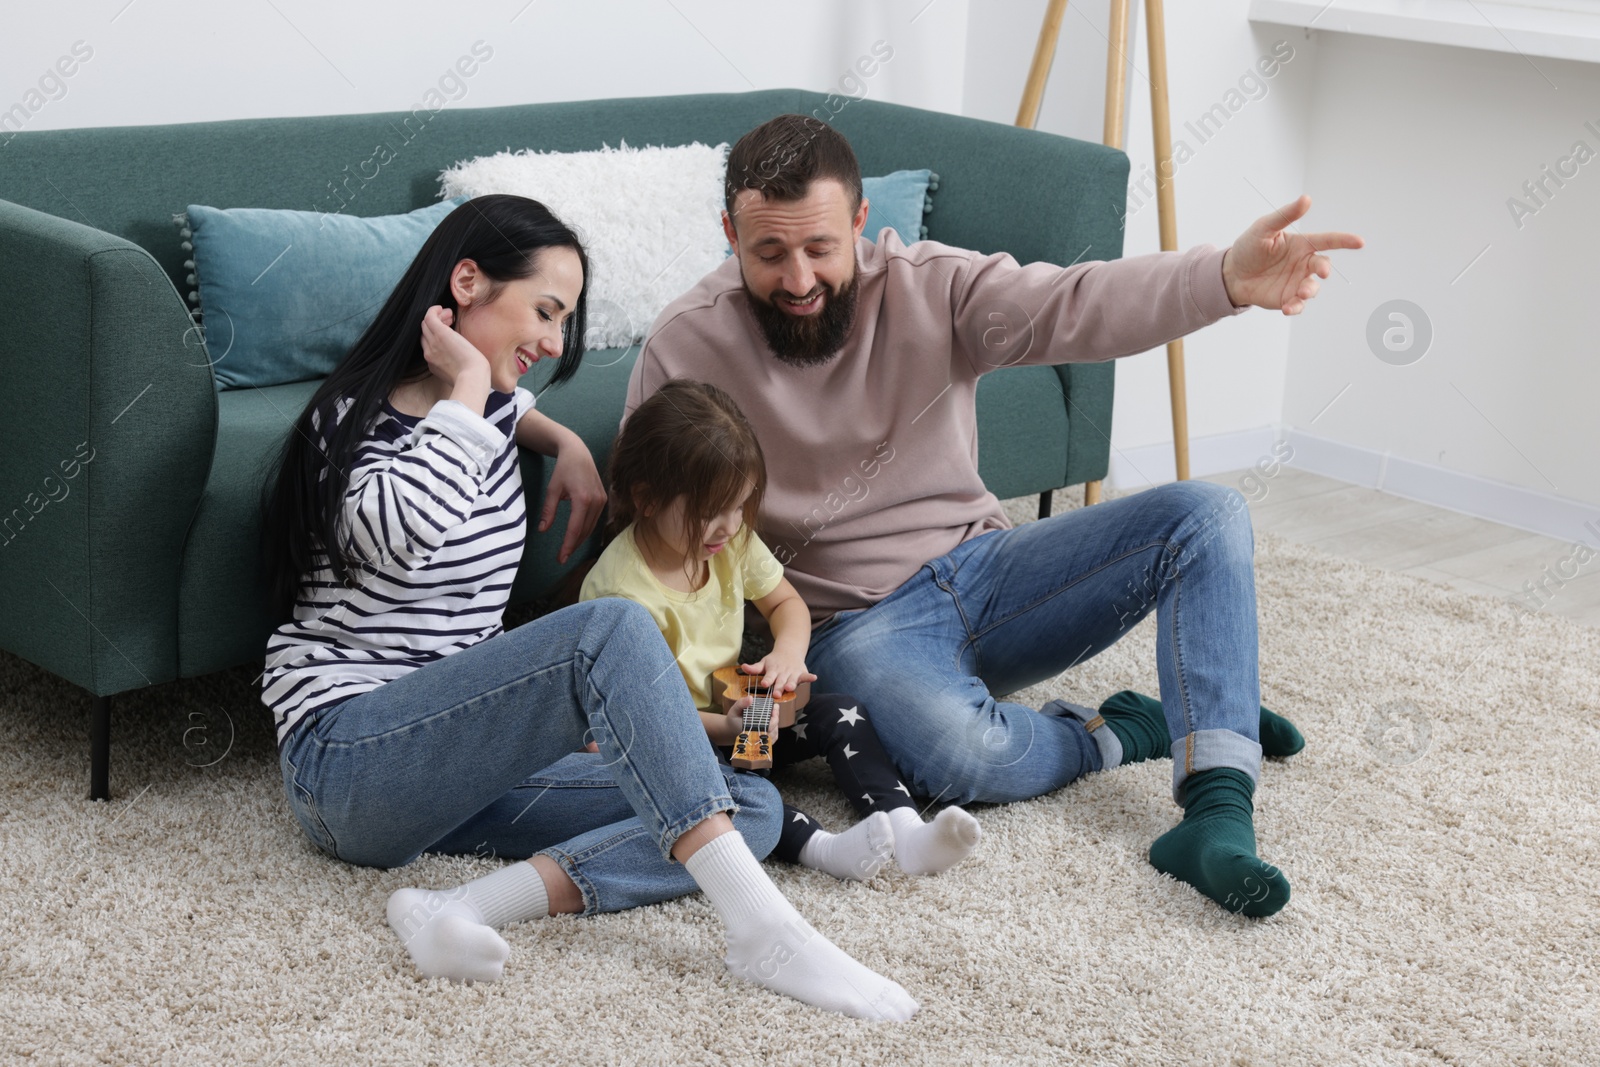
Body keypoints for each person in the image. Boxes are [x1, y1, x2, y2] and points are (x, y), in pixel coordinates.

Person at [625, 115, 1363, 919]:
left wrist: (1222, 278)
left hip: (990, 570)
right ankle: (1127, 726)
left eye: (820, 248)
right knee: (964, 756)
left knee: (1206, 514)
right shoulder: (685, 345)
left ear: (862, 223)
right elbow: (653, 512)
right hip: (857, 627)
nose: (799, 277)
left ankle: (1218, 807)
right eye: (769, 253)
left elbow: (1077, 303)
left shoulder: (930, 285)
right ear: (729, 234)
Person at [256, 193, 917, 1020]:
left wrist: (561, 440)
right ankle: (765, 931)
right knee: (610, 631)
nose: (552, 341)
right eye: (544, 310)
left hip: (461, 765)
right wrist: (467, 378)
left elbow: (509, 410)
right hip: (350, 766)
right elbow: (402, 534)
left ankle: (463, 906)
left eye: (564, 319)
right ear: (466, 282)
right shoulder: (350, 423)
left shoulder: (495, 411)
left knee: (735, 802)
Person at [579, 379, 982, 882]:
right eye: (710, 513)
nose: (728, 527)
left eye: (739, 507)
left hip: (741, 704)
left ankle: (908, 831)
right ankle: (823, 849)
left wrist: (788, 655)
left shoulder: (728, 543)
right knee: (731, 797)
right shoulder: (620, 596)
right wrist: (728, 729)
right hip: (675, 734)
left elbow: (785, 603)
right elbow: (639, 712)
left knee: (842, 712)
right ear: (647, 499)